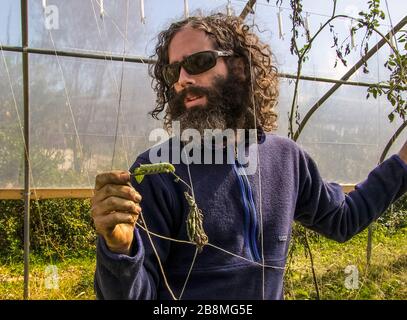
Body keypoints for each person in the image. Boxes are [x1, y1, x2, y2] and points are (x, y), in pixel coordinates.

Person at [91, 13, 407, 300]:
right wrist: (120, 250)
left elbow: (343, 219)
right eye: (173, 70)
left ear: (239, 68)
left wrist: (403, 162)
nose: (182, 79)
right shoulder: (156, 173)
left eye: (199, 62)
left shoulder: (286, 157)